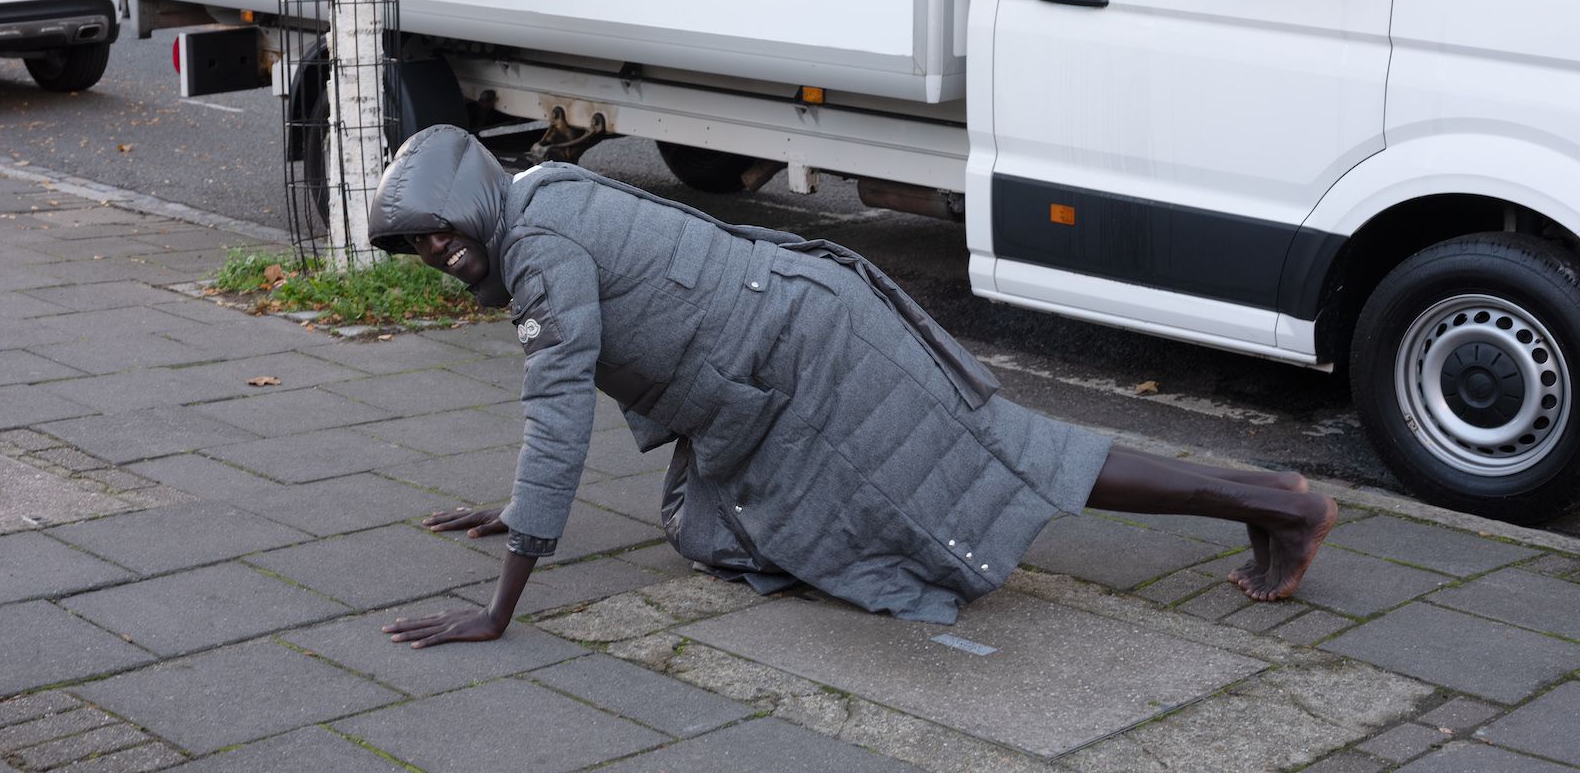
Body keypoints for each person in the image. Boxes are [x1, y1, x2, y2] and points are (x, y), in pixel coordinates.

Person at [367, 126, 1336, 650]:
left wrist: (502, 603)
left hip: (808, 351)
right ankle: (1261, 503)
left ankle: (1278, 502)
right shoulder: (537, 196)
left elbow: (557, 412)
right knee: (708, 528)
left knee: (1011, 459)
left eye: (441, 231)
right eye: (420, 247)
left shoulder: (537, 251)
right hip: (773, 342)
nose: (439, 255)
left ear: (475, 198)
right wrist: (514, 511)